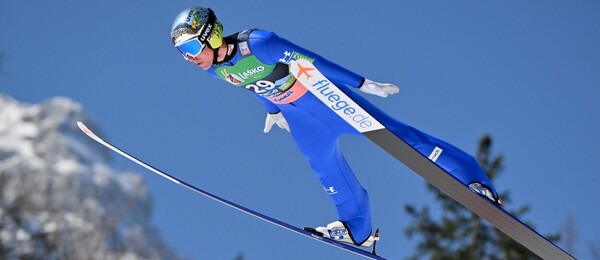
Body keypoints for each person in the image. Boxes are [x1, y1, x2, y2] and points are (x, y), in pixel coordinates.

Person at [170, 7, 501, 248]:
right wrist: (273, 111)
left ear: (211, 36)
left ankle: (473, 179)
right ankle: (359, 229)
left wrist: (361, 83)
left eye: (190, 49)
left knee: (400, 138)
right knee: (326, 169)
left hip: (325, 101)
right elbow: (252, 85)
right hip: (300, 119)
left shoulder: (258, 43)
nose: (189, 59)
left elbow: (312, 61)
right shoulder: (216, 71)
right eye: (182, 54)